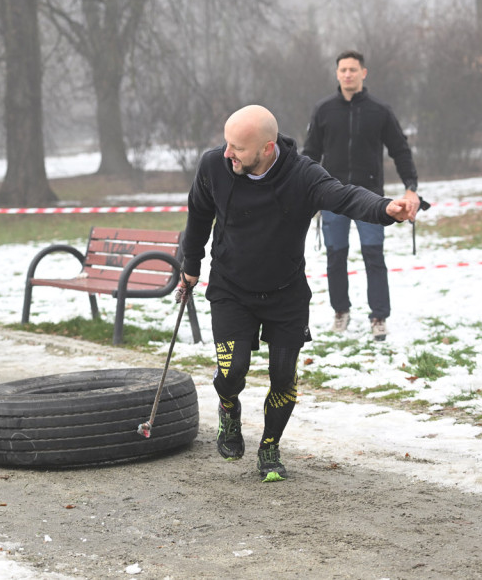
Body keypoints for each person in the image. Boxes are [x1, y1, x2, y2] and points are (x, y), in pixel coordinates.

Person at [179, 104, 419, 482]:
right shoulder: (214, 167)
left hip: (285, 293)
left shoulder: (302, 175)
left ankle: (270, 447)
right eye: (227, 144)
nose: (228, 154)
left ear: (268, 148)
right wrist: (190, 265)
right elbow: (197, 214)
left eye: (238, 148)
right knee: (232, 370)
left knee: (282, 377)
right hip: (231, 288)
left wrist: (386, 208)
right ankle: (229, 408)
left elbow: (345, 196)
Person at [302, 50, 420, 341]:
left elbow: (400, 149)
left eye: (353, 69)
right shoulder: (324, 110)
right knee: (335, 256)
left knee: (373, 255)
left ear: (363, 73)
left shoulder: (380, 110)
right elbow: (310, 155)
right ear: (337, 73)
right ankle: (340, 311)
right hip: (332, 197)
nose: (348, 74)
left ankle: (379, 316)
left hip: (371, 200)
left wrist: (410, 186)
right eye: (343, 69)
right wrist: (306, 190)